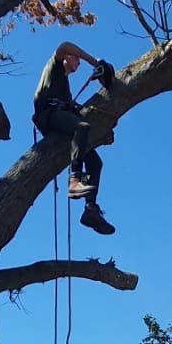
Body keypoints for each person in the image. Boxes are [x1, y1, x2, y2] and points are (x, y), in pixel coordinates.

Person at [33, 41, 117, 236]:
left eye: (80, 59)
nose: (78, 62)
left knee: (95, 162)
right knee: (81, 127)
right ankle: (75, 179)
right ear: (66, 59)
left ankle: (90, 208)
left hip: (62, 119)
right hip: (48, 115)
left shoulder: (66, 90)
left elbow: (74, 111)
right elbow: (64, 45)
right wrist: (93, 61)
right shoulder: (53, 69)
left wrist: (104, 133)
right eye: (76, 58)